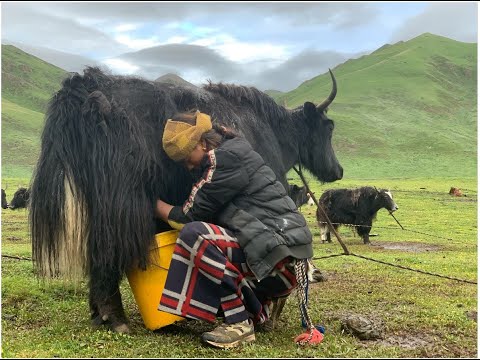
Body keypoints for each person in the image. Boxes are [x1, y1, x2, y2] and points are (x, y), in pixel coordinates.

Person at [155, 109, 322, 349]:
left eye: (185, 157)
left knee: (195, 234)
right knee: (218, 235)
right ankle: (258, 310)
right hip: (285, 256)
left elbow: (189, 215)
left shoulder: (222, 160)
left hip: (280, 263)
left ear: (202, 143)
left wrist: (153, 205)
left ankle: (240, 323)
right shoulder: (234, 151)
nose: (187, 166)